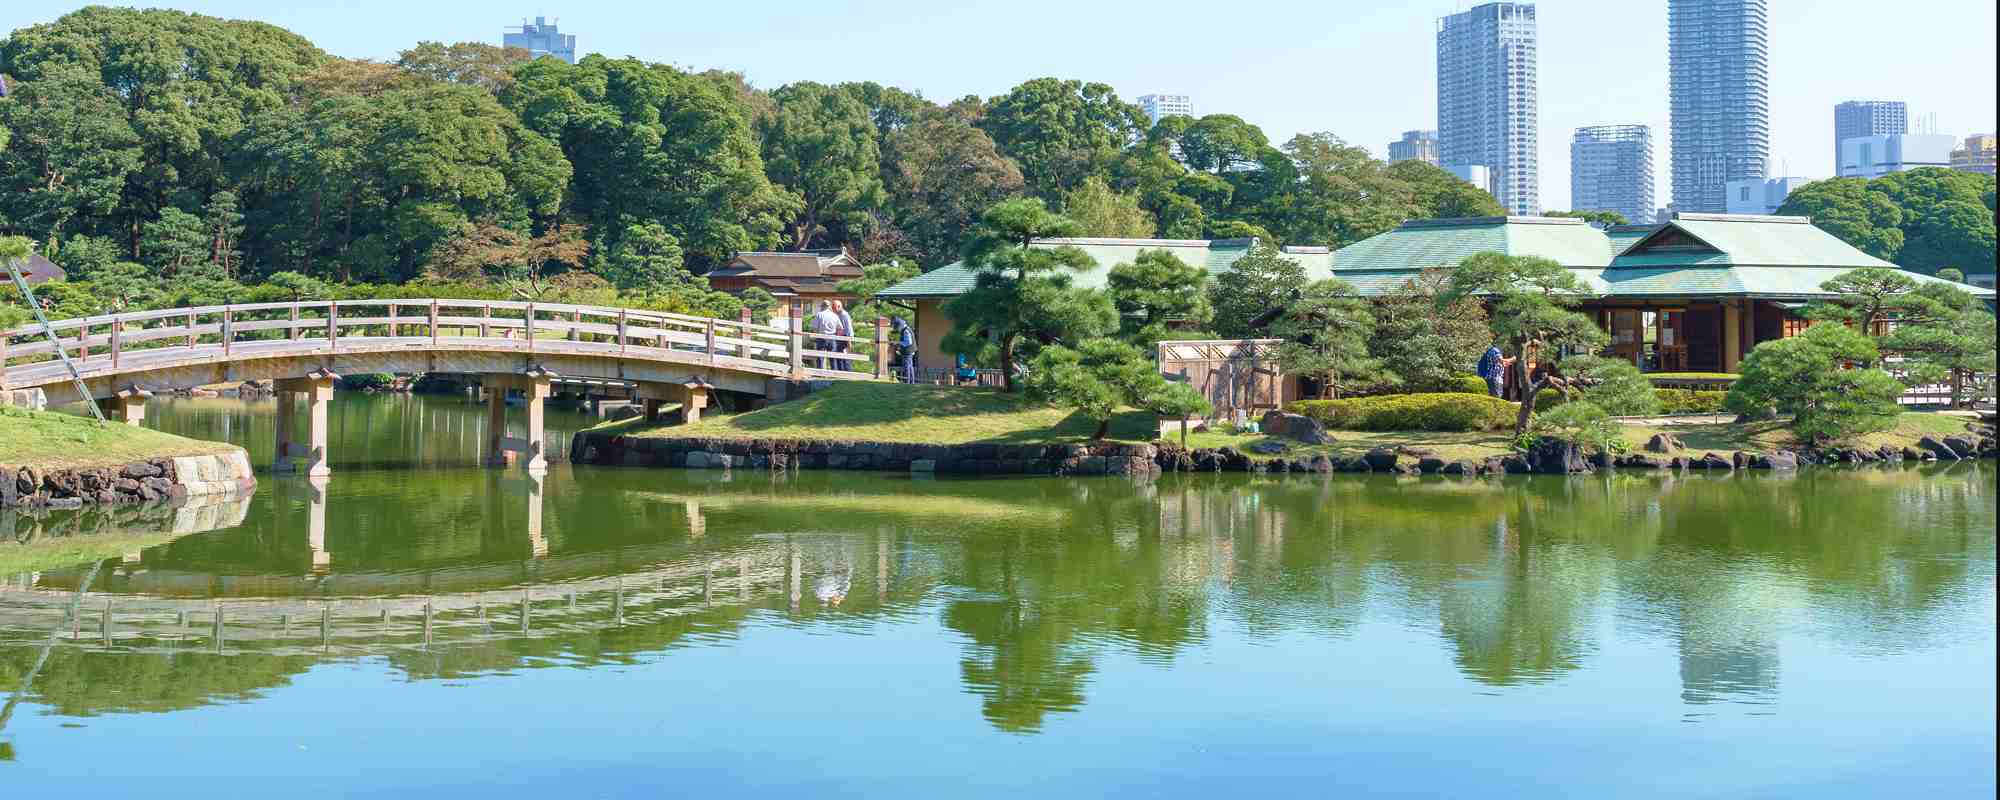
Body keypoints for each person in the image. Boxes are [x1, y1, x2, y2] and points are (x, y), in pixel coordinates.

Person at [811, 300, 841, 369]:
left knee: (820, 357)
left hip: (821, 337)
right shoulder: (834, 315)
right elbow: (840, 327)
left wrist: (816, 335)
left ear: (823, 306)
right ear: (829, 306)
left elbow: (814, 328)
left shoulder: (819, 314)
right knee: (832, 357)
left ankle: (820, 373)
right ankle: (834, 372)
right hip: (832, 337)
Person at [891, 316, 916, 383]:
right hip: (910, 351)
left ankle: (907, 382)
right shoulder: (907, 329)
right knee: (910, 367)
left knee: (907, 367)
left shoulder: (905, 331)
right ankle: (911, 382)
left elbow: (908, 342)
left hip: (908, 351)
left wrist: (898, 343)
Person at [832, 300, 855, 371]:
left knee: (846, 356)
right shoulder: (837, 314)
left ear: (839, 306)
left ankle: (848, 372)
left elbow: (848, 328)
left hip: (845, 338)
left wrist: (849, 341)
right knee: (839, 356)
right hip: (839, 338)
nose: (833, 309)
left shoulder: (844, 315)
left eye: (834, 307)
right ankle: (841, 371)